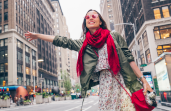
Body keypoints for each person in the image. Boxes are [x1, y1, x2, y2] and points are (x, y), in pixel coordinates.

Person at [25, 9, 153, 110]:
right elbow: (62, 41)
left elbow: (130, 60)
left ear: (100, 21)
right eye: (87, 17)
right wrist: (38, 36)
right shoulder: (84, 44)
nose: (91, 18)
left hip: (124, 81)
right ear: (85, 23)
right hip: (105, 86)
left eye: (94, 16)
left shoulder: (114, 36)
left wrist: (143, 80)